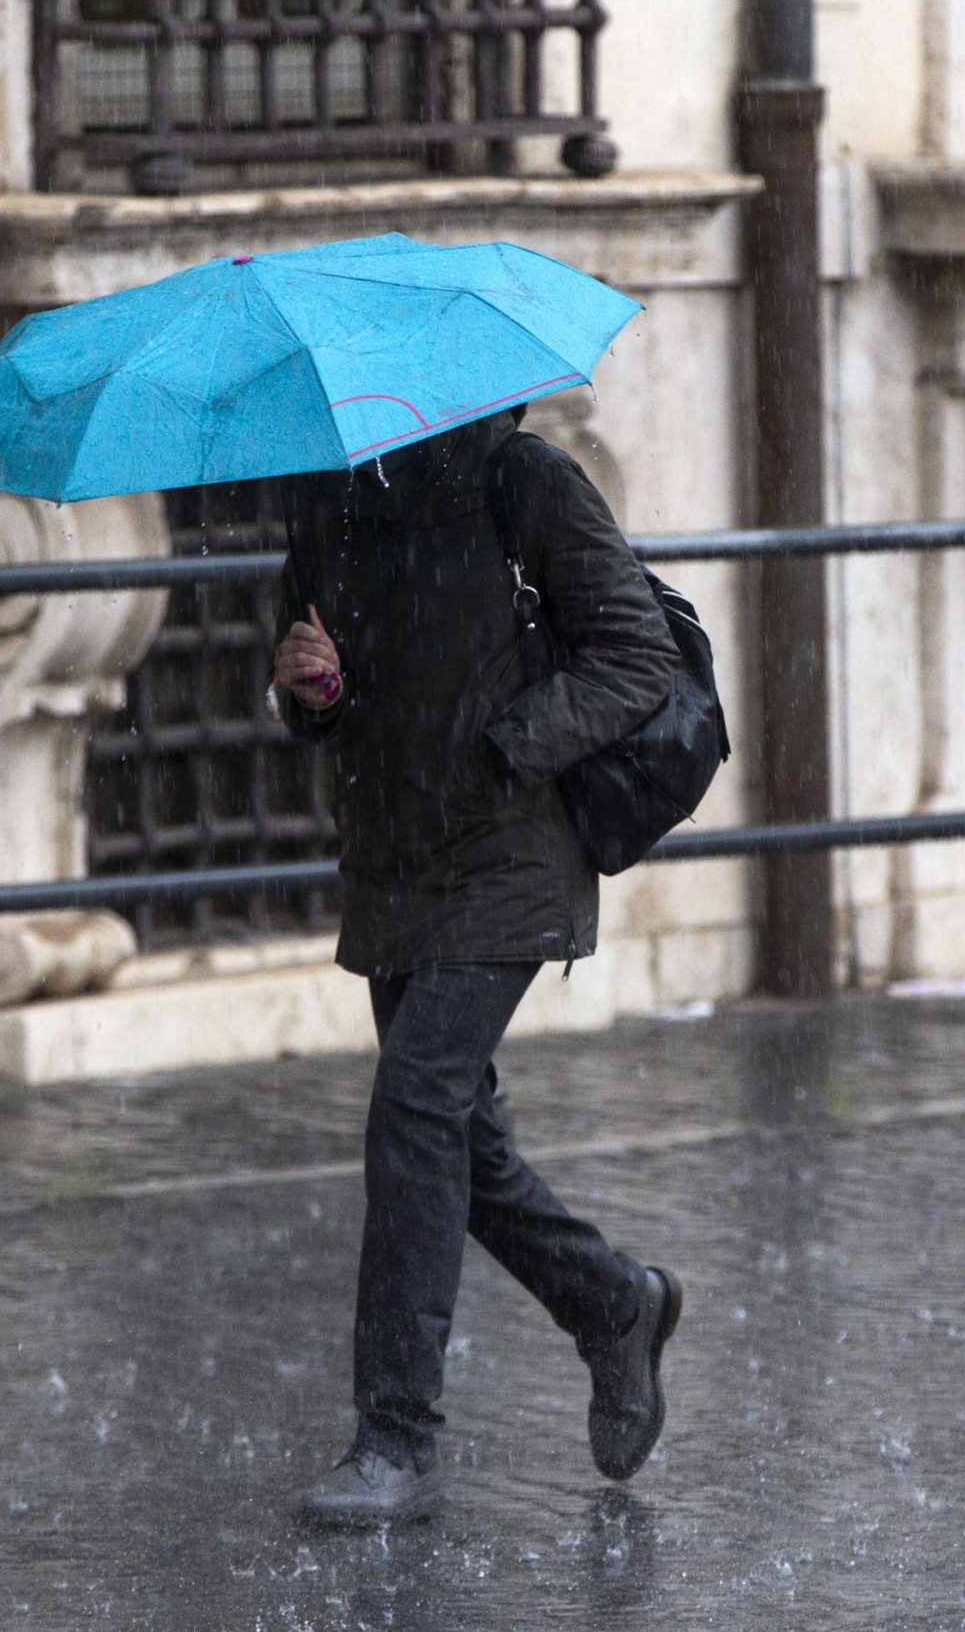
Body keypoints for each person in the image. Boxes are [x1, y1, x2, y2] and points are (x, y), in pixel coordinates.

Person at [271, 403, 684, 1527]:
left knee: (413, 1108)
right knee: (461, 1144)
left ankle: (396, 1440)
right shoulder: (322, 497)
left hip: (511, 846)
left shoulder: (524, 479)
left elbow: (635, 656)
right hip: (392, 857)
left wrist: (510, 742)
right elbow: (320, 689)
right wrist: (312, 688)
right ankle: (614, 1305)